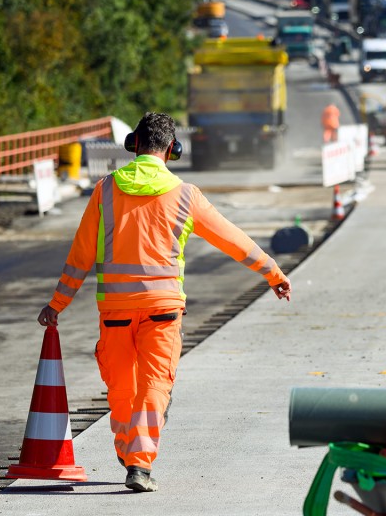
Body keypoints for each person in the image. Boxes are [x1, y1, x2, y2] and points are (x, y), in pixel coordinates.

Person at [37, 112, 291, 493]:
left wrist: (57, 303)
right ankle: (139, 462)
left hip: (116, 313)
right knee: (155, 385)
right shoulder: (187, 196)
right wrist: (272, 271)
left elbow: (80, 256)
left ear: (133, 145)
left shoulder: (105, 190)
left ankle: (131, 452)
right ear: (173, 150)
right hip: (163, 310)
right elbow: (231, 239)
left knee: (122, 387)